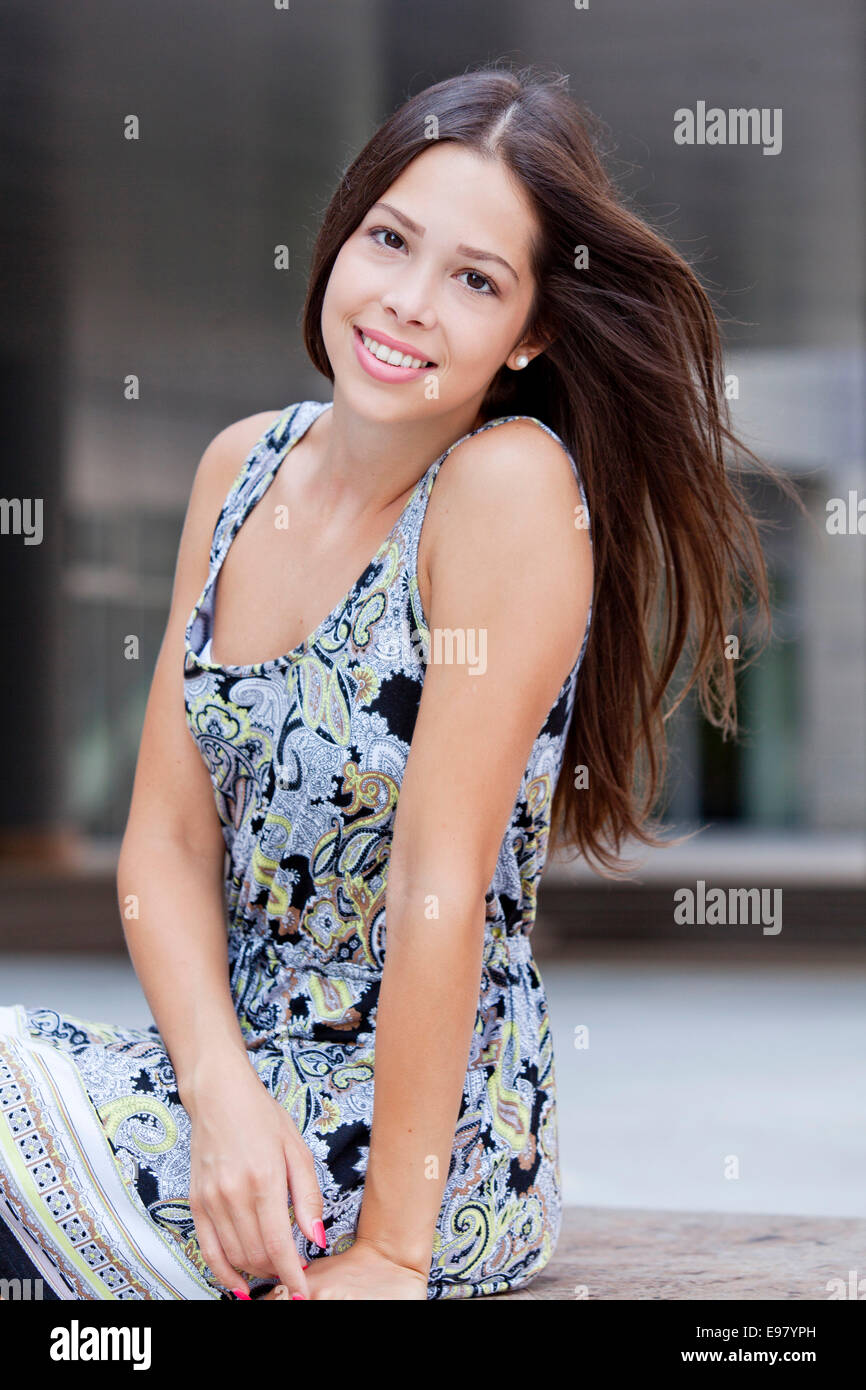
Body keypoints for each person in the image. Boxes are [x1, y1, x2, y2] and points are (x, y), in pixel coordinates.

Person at [0, 62, 777, 1301]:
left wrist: (392, 1256)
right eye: (389, 240)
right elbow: (161, 843)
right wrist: (219, 1096)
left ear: (527, 332)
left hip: (419, 1151)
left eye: (473, 279)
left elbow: (437, 883)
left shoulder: (505, 489)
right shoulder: (237, 467)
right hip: (229, 1101)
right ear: (338, 238)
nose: (407, 302)